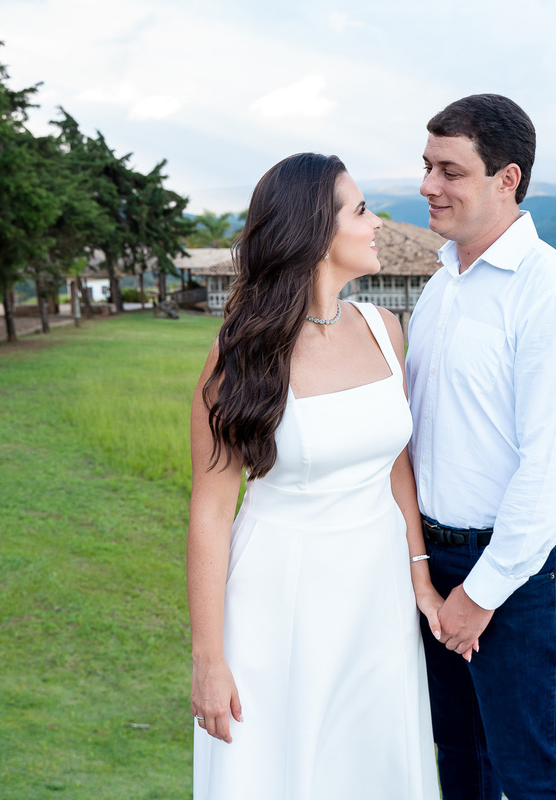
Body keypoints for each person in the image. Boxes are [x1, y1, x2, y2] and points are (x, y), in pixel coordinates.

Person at [187, 152, 440, 799]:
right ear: (315, 232)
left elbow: (396, 468)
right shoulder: (242, 352)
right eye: (360, 209)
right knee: (283, 768)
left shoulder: (386, 330)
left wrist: (419, 578)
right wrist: (209, 660)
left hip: (377, 594)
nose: (376, 221)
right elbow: (212, 512)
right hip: (281, 594)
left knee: (372, 760)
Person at [407, 94, 556, 799]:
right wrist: (426, 573)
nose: (429, 185)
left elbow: (550, 474)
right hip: (434, 561)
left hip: (519, 571)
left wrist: (481, 593)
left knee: (528, 770)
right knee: (459, 759)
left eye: (451, 171)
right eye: (427, 166)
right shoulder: (441, 284)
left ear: (506, 180)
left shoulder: (553, 296)